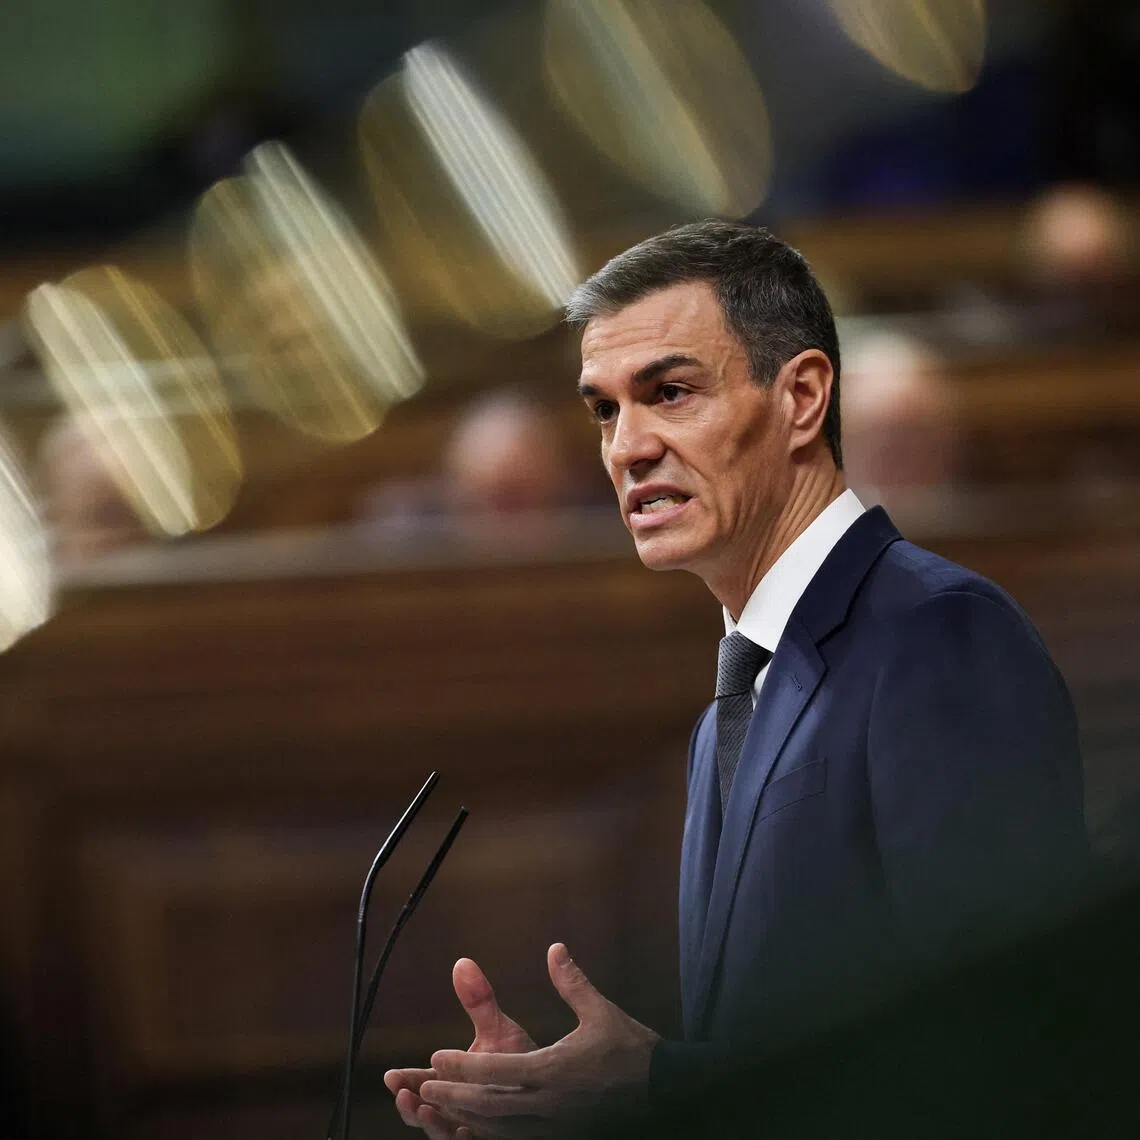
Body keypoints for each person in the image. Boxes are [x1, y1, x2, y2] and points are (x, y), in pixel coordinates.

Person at [384, 220, 1087, 1138]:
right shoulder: (731, 706)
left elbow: (1015, 1051)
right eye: (604, 409)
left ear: (801, 397)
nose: (626, 449)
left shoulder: (938, 635)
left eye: (669, 393)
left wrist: (659, 1086)